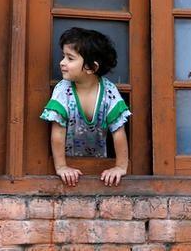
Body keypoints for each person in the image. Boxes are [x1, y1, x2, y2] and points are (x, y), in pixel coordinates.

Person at [40, 27, 131, 187]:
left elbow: (118, 133)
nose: (62, 62)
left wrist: (120, 167)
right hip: (69, 169)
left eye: (70, 58)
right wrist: (61, 167)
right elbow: (58, 132)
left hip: (99, 169)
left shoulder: (109, 92)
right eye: (63, 56)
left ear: (91, 67)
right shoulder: (63, 90)